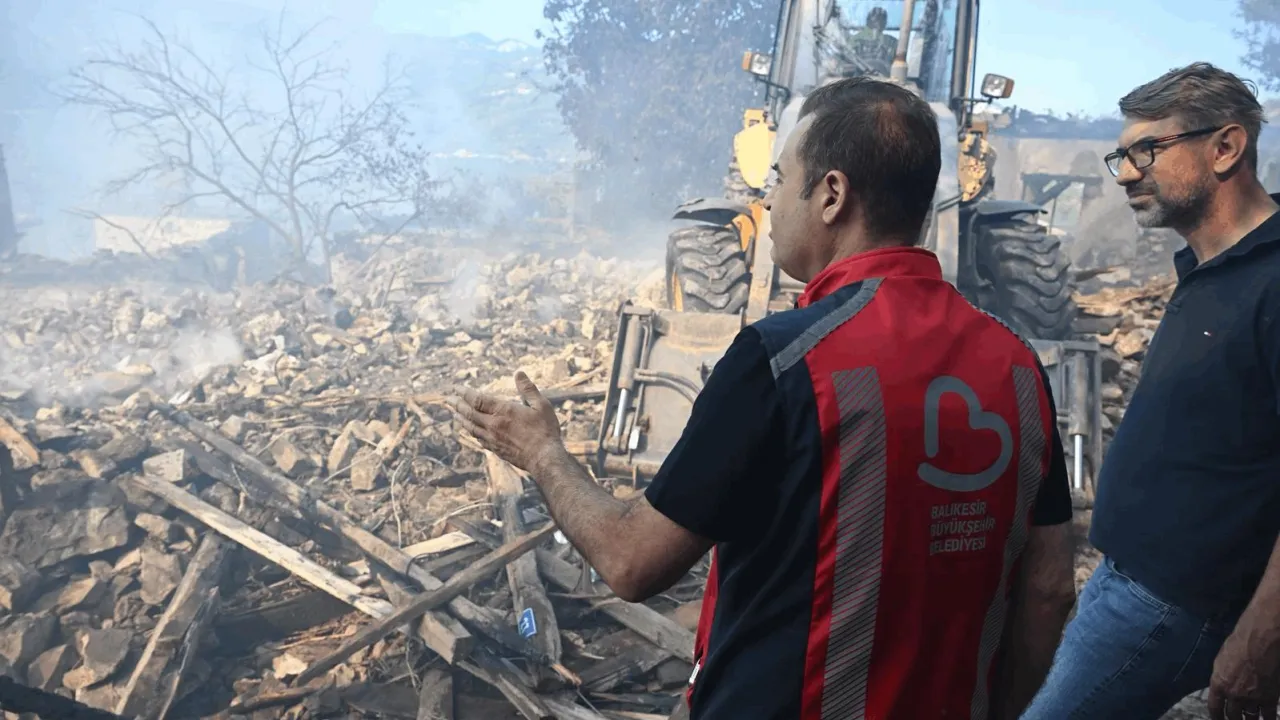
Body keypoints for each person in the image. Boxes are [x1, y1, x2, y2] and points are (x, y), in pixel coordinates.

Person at [448, 77, 1075, 719]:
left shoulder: (782, 360)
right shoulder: (1019, 367)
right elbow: (1050, 589)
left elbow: (630, 560)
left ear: (831, 195)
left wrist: (543, 453)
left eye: (780, 179)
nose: (769, 202)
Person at [1021, 62, 1280, 720]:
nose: (1126, 173)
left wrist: (1261, 634)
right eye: (1123, 156)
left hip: (1171, 605)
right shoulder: (1211, 268)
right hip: (1127, 582)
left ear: (1225, 147)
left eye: (1147, 151)